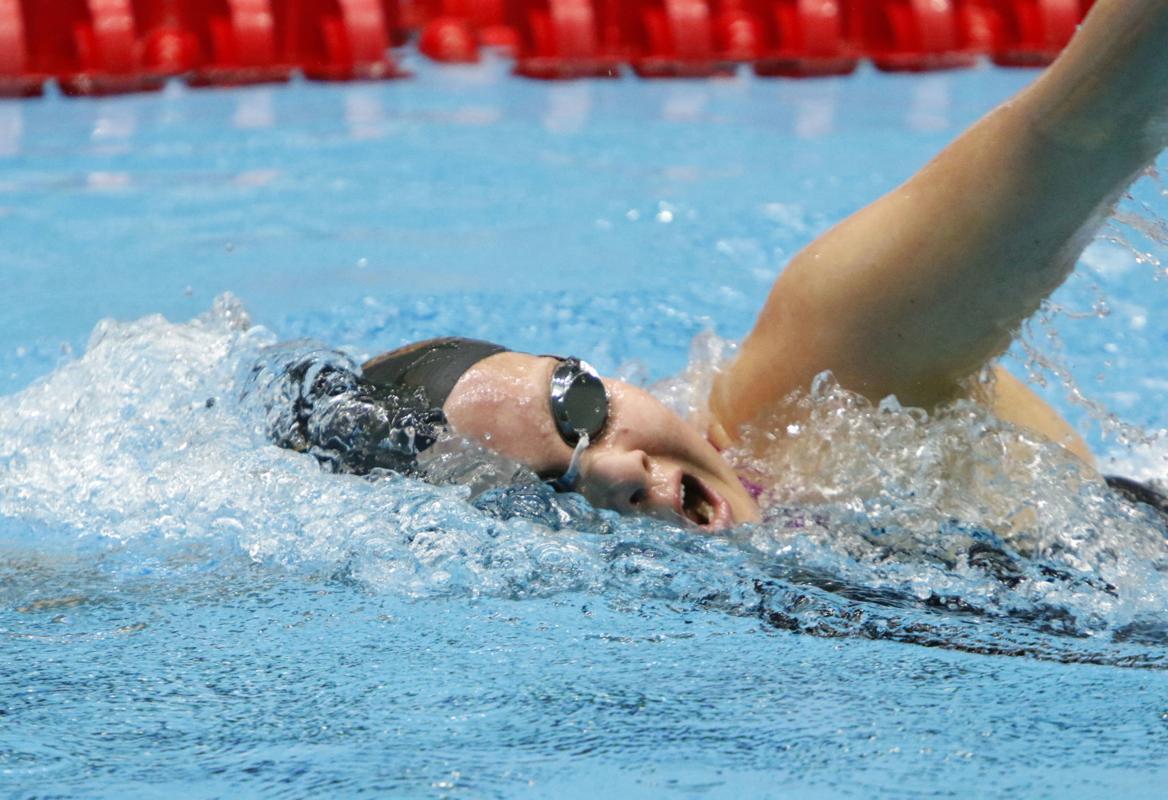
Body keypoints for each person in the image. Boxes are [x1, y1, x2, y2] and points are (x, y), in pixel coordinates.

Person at [249, 0, 1168, 531]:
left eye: (579, 408)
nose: (615, 470)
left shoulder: (824, 385)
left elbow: (1087, 124)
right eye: (540, 493)